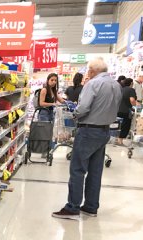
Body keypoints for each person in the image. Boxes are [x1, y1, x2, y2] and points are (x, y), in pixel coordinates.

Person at [52, 58, 122, 220]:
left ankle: (72, 208)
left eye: (88, 71)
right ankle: (91, 206)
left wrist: (75, 114)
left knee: (77, 169)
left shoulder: (93, 84)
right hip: (104, 131)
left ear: (92, 71)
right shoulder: (116, 85)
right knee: (95, 171)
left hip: (88, 130)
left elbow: (83, 108)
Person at [116, 78, 137, 146]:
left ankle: (115, 138)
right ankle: (120, 140)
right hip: (126, 111)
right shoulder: (131, 90)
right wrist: (136, 105)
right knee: (126, 125)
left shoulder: (120, 89)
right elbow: (132, 100)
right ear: (131, 83)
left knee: (117, 125)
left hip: (117, 110)